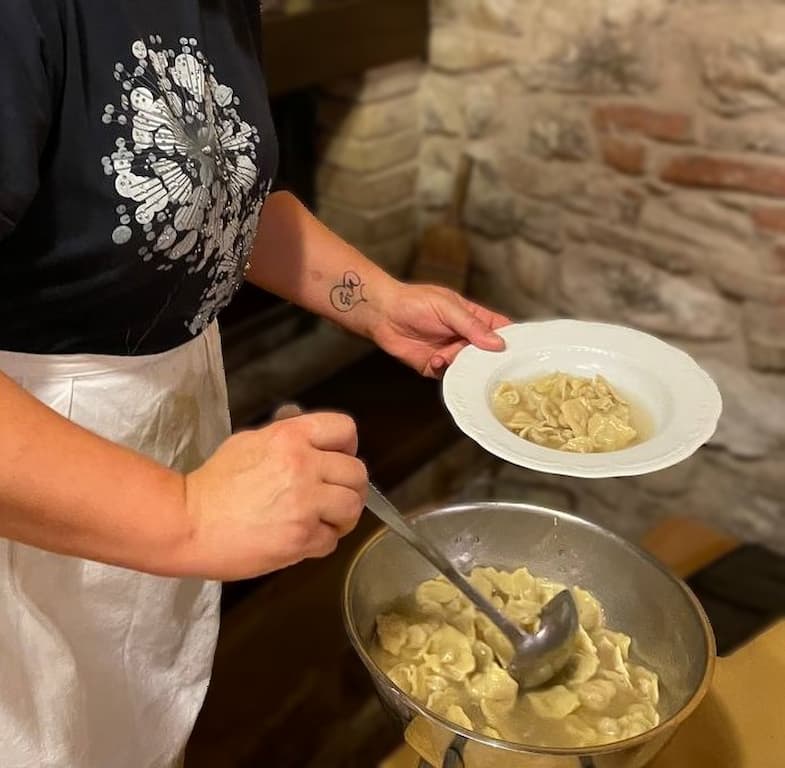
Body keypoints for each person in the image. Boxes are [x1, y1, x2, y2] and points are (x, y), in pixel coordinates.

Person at [0, 1, 510, 766]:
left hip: (165, 415)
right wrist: (186, 515)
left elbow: (218, 190)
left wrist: (378, 303)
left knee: (126, 719)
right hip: (40, 462)